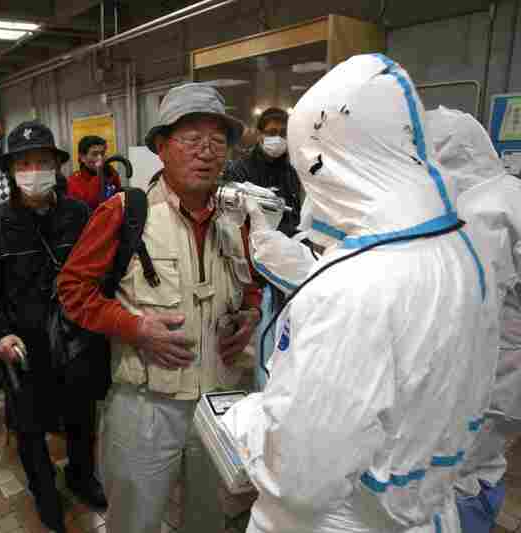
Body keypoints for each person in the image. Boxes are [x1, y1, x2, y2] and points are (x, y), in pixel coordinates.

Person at [219, 54, 495, 533]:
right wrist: (264, 233)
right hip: (422, 505)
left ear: (327, 161)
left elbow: (300, 479)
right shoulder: (461, 249)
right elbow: (332, 275)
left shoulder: (356, 291)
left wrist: (245, 420)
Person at [58, 82, 263, 533]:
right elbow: (73, 289)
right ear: (161, 146)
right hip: (146, 406)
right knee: (136, 520)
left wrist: (249, 316)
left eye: (217, 141)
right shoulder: (126, 212)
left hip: (219, 404)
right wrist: (134, 327)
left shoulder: (239, 218)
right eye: (192, 139)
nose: (206, 152)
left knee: (209, 519)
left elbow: (253, 287)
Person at [0, 121, 107, 533]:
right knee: (30, 432)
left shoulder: (79, 215)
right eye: (24, 163)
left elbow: (100, 275)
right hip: (23, 348)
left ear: (57, 167)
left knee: (82, 419)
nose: (34, 171)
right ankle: (45, 494)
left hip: (75, 341)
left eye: (42, 162)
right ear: (11, 171)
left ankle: (81, 478)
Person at [427, 106, 521, 533]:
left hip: (491, 372)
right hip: (502, 374)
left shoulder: (482, 211)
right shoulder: (508, 194)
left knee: (459, 473)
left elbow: (466, 302)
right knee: (483, 465)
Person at [223, 107, 302, 236]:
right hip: (251, 245)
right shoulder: (240, 169)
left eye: (283, 133)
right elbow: (233, 219)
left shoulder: (291, 172)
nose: (278, 137)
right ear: (260, 134)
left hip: (287, 246)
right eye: (272, 132)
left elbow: (295, 216)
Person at [67, 135, 121, 210]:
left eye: (102, 153)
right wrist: (99, 176)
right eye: (94, 154)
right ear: (82, 157)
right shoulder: (73, 181)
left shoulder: (110, 173)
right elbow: (90, 204)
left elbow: (118, 197)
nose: (100, 158)